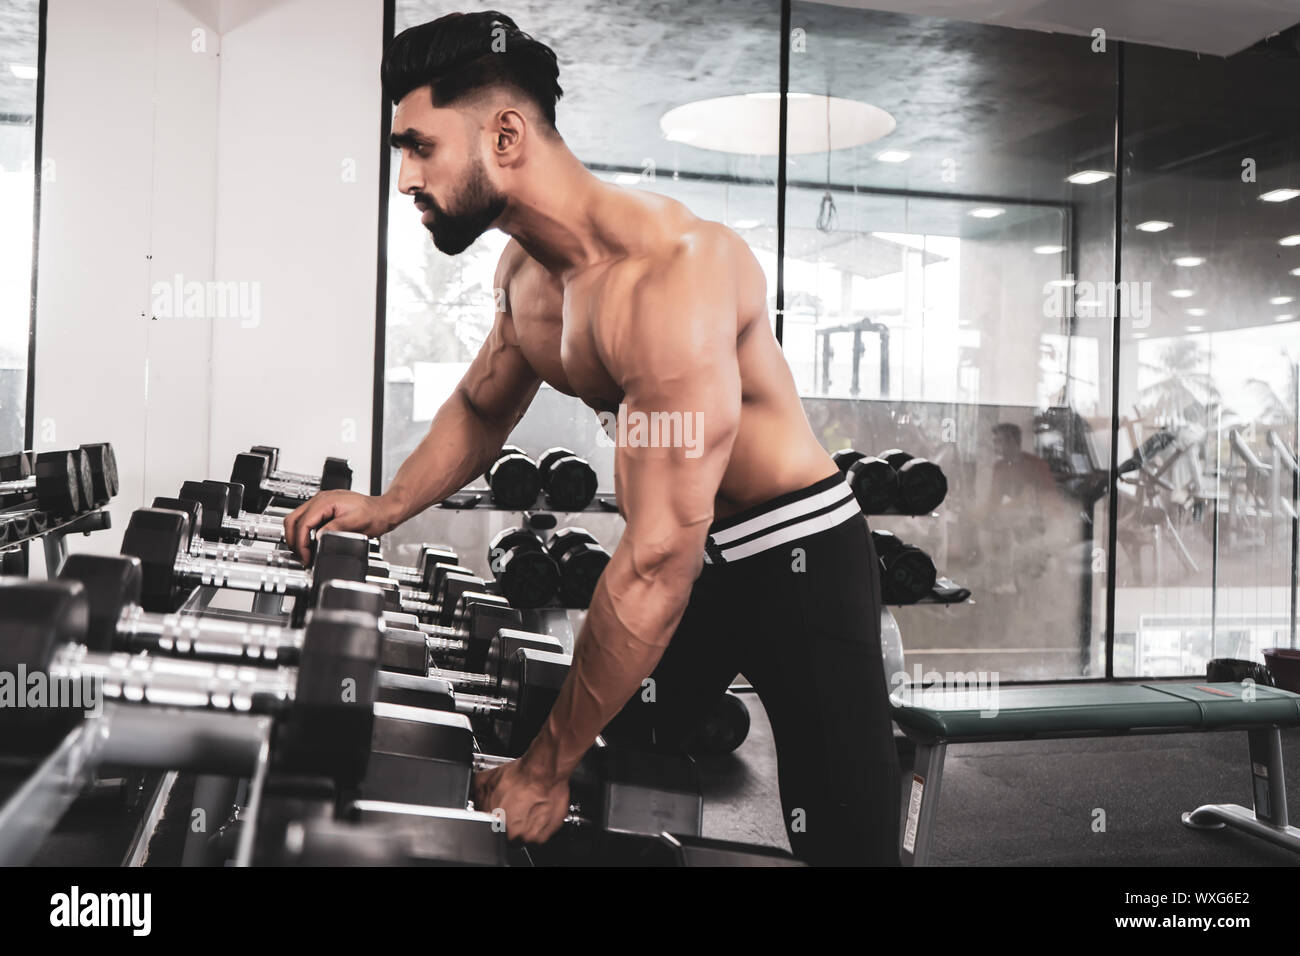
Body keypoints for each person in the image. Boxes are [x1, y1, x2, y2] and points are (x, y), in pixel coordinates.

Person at [283, 10, 898, 865]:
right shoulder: (527, 273)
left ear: (505, 135)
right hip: (701, 552)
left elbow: (653, 561)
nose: (404, 178)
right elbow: (483, 406)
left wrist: (540, 770)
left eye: (419, 146)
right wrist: (387, 507)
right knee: (597, 752)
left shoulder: (672, 279)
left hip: (796, 556)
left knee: (844, 838)